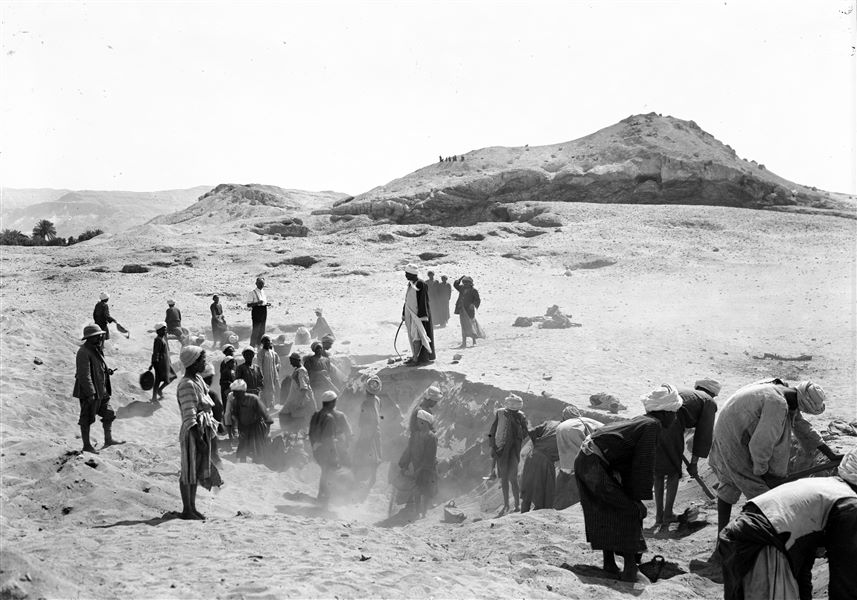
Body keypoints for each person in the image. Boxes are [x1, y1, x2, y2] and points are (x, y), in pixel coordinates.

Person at [574, 384, 682, 582]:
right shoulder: (652, 426)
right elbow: (643, 464)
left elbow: (628, 461)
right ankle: (630, 569)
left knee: (606, 509)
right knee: (630, 510)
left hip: (589, 459)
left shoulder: (643, 421)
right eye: (674, 413)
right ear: (666, 413)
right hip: (594, 463)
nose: (675, 418)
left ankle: (610, 563)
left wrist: (630, 493)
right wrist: (637, 500)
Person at [718, 448, 857, 600]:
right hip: (762, 544)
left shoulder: (825, 489)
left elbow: (802, 565)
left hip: (742, 540)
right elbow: (844, 580)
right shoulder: (849, 505)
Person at [708, 379, 838, 536]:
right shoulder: (777, 404)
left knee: (730, 483)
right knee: (764, 494)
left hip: (727, 430)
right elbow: (760, 445)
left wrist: (830, 454)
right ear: (803, 404)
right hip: (735, 439)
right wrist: (764, 473)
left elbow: (802, 426)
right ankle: (747, 538)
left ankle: (723, 537)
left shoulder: (782, 390)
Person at [653, 378, 720, 524]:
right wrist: (694, 463)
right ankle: (668, 514)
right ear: (711, 393)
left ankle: (659, 515)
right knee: (673, 473)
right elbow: (703, 435)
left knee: (658, 472)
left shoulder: (684, 392)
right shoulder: (708, 401)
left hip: (653, 420)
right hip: (671, 423)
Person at [175, 345, 221, 520]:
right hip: (192, 433)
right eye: (202, 360)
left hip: (201, 431)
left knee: (194, 472)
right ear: (193, 363)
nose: (204, 363)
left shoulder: (197, 380)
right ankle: (187, 509)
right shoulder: (186, 384)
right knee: (188, 471)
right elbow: (190, 416)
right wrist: (200, 440)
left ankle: (192, 507)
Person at [73, 324, 125, 453]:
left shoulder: (96, 349)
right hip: (90, 392)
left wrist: (107, 371)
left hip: (102, 390)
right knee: (86, 419)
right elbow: (84, 375)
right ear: (89, 338)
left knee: (109, 413)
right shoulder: (83, 352)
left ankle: (108, 439)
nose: (100, 338)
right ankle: (87, 446)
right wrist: (91, 393)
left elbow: (98, 365)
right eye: (97, 336)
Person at [487, 393, 529, 515]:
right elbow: (492, 431)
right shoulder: (500, 413)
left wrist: (516, 437)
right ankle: (506, 505)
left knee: (513, 478)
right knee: (504, 478)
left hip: (513, 451)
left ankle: (516, 505)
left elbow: (525, 432)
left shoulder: (520, 416)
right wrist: (492, 443)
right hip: (501, 450)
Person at [555, 406, 603, 510]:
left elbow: (564, 451)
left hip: (574, 468)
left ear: (564, 417)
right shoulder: (594, 422)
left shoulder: (563, 427)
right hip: (595, 465)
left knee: (566, 496)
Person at [309, 391, 348, 506]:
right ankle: (326, 499)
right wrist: (335, 455)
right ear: (333, 402)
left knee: (325, 472)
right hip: (330, 450)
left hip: (317, 451)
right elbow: (330, 439)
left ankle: (322, 497)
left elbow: (311, 434)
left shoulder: (315, 415)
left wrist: (315, 447)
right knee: (330, 474)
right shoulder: (333, 417)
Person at [398, 409, 438, 518]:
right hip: (418, 468)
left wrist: (420, 469)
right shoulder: (415, 435)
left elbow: (430, 456)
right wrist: (404, 464)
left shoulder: (432, 437)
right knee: (417, 490)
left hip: (427, 469)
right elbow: (409, 451)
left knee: (425, 490)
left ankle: (423, 513)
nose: (416, 423)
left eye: (419, 421)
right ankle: (418, 512)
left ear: (424, 422)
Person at [520, 418, 561, 512]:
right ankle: (539, 515)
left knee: (527, 490)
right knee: (545, 492)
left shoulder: (550, 423)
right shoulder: (566, 430)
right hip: (545, 462)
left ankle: (522, 516)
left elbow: (531, 431)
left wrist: (537, 445)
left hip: (532, 456)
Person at [353, 376, 383, 491]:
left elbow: (374, 418)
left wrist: (368, 431)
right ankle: (370, 478)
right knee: (375, 454)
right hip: (373, 430)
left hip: (369, 431)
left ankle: (360, 479)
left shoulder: (368, 401)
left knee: (363, 453)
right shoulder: (377, 399)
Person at [230, 379, 272, 463]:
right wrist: (236, 430)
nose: (233, 394)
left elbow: (265, 415)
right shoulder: (235, 401)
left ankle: (260, 464)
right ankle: (243, 464)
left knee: (258, 448)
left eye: (236, 392)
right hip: (243, 427)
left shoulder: (254, 399)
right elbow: (235, 416)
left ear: (242, 392)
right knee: (243, 447)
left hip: (256, 427)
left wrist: (267, 430)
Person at [401, 264, 435, 365]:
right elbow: (407, 300)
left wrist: (422, 316)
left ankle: (416, 359)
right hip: (410, 314)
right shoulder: (411, 283)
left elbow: (423, 300)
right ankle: (415, 356)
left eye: (407, 274)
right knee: (413, 336)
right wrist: (404, 314)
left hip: (418, 316)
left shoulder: (421, 284)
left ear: (412, 274)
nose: (405, 275)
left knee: (418, 337)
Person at [279, 352, 316, 435]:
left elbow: (304, 388)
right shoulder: (297, 370)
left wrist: (299, 404)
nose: (290, 363)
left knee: (292, 418)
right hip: (298, 400)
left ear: (297, 360)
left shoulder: (301, 371)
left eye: (291, 360)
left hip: (302, 401)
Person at [149, 322, 176, 403]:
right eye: (163, 330)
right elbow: (155, 352)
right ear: (158, 331)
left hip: (165, 362)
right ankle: (154, 397)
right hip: (160, 363)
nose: (165, 331)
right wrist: (154, 363)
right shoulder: (158, 340)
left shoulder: (162, 339)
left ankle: (159, 390)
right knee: (158, 380)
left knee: (171, 377)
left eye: (165, 329)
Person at [453, 275, 484, 348]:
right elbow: (455, 284)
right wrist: (460, 278)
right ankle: (464, 343)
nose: (465, 284)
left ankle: (474, 341)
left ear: (470, 283)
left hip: (470, 311)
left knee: (471, 325)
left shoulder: (474, 291)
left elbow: (477, 300)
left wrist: (473, 304)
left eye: (467, 282)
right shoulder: (461, 288)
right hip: (462, 310)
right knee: (463, 326)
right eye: (464, 282)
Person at [257, 335, 281, 409]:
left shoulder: (273, 353)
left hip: (274, 375)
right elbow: (260, 365)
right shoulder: (261, 353)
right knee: (267, 391)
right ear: (262, 343)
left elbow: (278, 362)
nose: (267, 342)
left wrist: (276, 368)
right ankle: (268, 406)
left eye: (268, 341)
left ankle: (273, 405)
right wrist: (261, 375)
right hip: (266, 376)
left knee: (275, 389)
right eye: (265, 341)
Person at [219, 344, 237, 439]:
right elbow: (223, 380)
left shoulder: (234, 362)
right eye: (229, 351)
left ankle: (233, 429)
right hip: (227, 391)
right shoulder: (224, 364)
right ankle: (228, 429)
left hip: (233, 390)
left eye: (231, 351)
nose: (231, 352)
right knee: (228, 410)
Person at [246, 277, 270, 347]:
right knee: (256, 330)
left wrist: (267, 304)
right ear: (256, 283)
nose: (261, 285)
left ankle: (259, 345)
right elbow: (248, 305)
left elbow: (263, 302)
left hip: (263, 310)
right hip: (257, 311)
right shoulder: (252, 293)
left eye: (262, 283)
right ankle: (252, 346)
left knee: (262, 329)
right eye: (260, 283)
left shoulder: (263, 292)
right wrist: (257, 303)